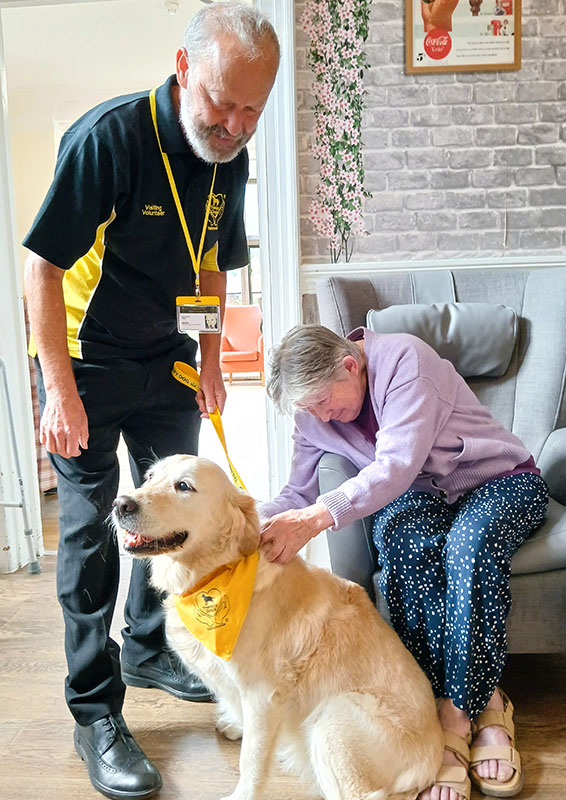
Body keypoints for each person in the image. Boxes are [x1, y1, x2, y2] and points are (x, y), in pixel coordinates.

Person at [22, 4, 278, 798]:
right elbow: (41, 267)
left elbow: (209, 260)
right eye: (221, 102)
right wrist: (59, 393)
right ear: (182, 68)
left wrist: (207, 356)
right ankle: (96, 709)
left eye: (251, 110)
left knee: (173, 508)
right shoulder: (111, 139)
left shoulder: (228, 154)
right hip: (88, 363)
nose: (234, 124)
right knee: (97, 535)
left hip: (163, 356)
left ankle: (146, 645)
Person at [259, 324, 549, 800]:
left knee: (467, 546)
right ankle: (462, 697)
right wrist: (247, 520)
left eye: (321, 401)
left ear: (350, 364)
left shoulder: (405, 361)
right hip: (421, 497)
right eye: (308, 409)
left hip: (500, 481)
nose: (320, 416)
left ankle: (465, 711)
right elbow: (297, 491)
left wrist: (315, 519)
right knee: (400, 541)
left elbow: (395, 465)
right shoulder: (313, 415)